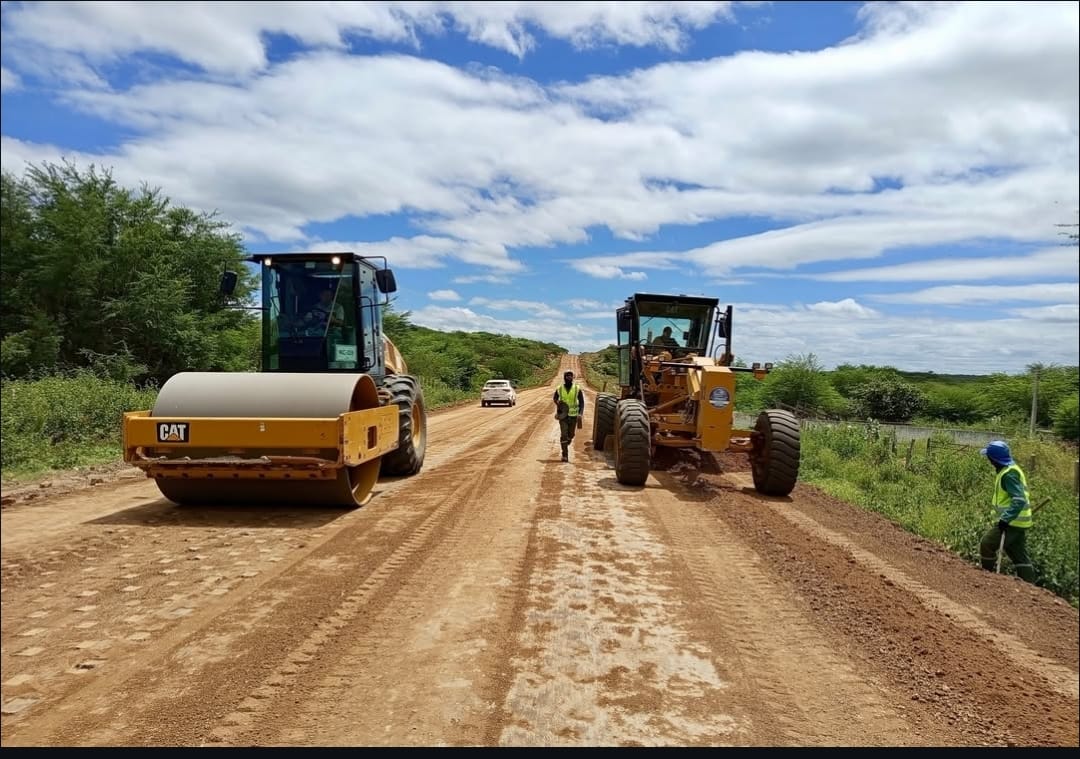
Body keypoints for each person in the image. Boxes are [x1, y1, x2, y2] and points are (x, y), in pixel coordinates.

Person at [978, 440, 1036, 583]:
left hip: (1012, 522)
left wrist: (1006, 519)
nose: (988, 460)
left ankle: (987, 575)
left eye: (989, 458)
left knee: (987, 543)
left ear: (994, 459)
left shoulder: (1009, 474)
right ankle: (1031, 586)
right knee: (1019, 555)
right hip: (1017, 522)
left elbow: (1019, 499)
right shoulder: (1008, 470)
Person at [553, 370, 585, 463]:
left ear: (573, 377)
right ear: (564, 377)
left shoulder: (577, 389)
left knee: (571, 435)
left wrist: (580, 413)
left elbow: (582, 402)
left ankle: (568, 440)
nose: (569, 377)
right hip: (563, 416)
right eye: (567, 376)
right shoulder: (559, 388)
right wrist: (558, 403)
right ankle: (565, 455)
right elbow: (555, 398)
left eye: (570, 376)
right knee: (564, 434)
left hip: (574, 416)